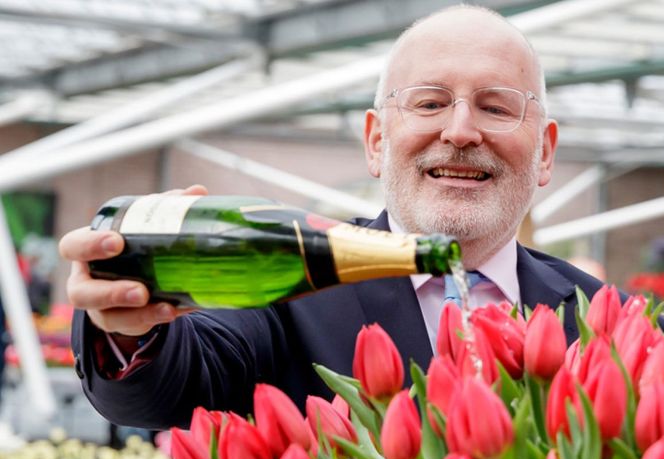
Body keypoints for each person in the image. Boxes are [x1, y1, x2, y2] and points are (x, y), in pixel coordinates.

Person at [60, 6, 607, 429]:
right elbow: (168, 389)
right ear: (376, 141)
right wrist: (129, 330)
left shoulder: (611, 323)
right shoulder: (290, 298)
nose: (461, 131)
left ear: (545, 153)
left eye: (496, 107)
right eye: (429, 103)